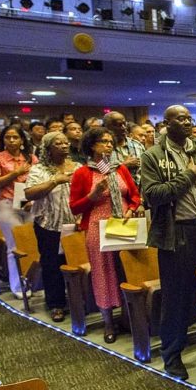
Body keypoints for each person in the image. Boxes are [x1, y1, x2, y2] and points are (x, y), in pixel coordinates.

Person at [139, 105, 196, 380]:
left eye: (190, 118)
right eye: (181, 119)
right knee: (176, 299)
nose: (188, 122)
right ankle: (172, 355)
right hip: (176, 233)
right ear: (166, 124)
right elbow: (153, 195)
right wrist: (189, 175)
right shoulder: (152, 156)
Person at [69, 127, 142, 342]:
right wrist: (92, 195)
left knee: (126, 270)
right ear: (92, 146)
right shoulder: (83, 173)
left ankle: (128, 317)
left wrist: (130, 208)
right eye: (104, 141)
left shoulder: (118, 169)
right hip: (98, 227)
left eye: (111, 141)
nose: (109, 145)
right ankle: (108, 322)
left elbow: (135, 195)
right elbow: (74, 208)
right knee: (104, 274)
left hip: (123, 224)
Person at [25, 131, 81, 322]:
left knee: (76, 263)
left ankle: (81, 301)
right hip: (49, 226)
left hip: (75, 225)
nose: (64, 146)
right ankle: (56, 304)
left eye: (66, 143)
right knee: (52, 266)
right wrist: (54, 180)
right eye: (58, 143)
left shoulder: (78, 167)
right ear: (48, 148)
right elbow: (30, 194)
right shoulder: (39, 170)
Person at [0, 125, 37, 299]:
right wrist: (16, 173)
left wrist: (33, 199)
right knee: (14, 245)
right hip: (7, 203)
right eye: (8, 137)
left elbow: (37, 180)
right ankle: (17, 286)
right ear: (3, 140)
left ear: (22, 140)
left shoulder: (30, 158)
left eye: (15, 137)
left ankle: (33, 281)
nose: (12, 140)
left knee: (32, 244)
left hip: (28, 203)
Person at [104, 111, 145, 185]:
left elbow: (145, 172)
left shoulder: (138, 145)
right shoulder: (102, 148)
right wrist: (123, 166)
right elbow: (100, 175)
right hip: (115, 192)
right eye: (119, 125)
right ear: (108, 127)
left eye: (124, 124)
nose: (124, 128)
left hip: (138, 192)